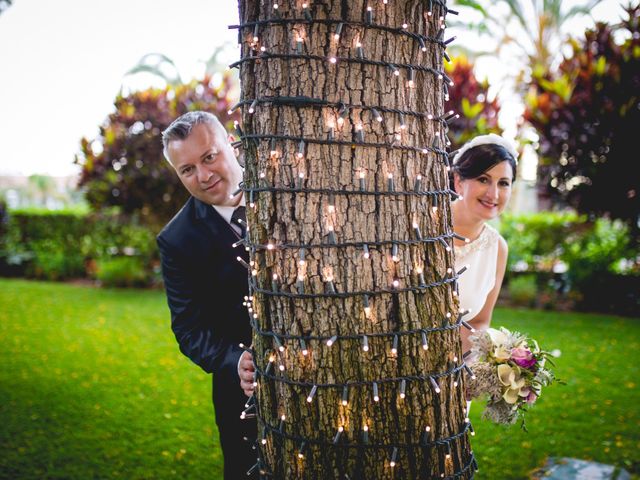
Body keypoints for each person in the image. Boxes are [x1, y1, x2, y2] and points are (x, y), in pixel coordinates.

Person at [157, 111, 256, 479]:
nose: (202, 175)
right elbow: (188, 329)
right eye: (187, 169)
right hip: (243, 395)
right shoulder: (176, 240)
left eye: (209, 157)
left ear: (230, 144)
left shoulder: (285, 189)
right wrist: (235, 360)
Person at [450, 134, 518, 356]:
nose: (493, 194)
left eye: (503, 183)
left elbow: (479, 322)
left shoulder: (497, 248)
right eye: (483, 179)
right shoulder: (423, 227)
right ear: (459, 182)